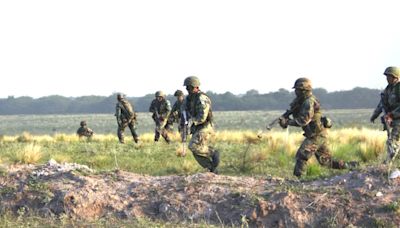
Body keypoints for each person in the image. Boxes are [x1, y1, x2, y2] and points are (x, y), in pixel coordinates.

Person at [279, 77, 358, 177]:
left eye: (298, 90)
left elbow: (303, 120)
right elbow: (297, 114)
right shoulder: (300, 101)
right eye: (296, 90)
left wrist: (287, 122)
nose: (296, 92)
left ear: (305, 90)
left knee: (302, 155)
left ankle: (298, 180)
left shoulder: (309, 102)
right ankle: (352, 166)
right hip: (318, 134)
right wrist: (286, 118)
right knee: (325, 161)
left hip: (316, 135)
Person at [181, 76, 219, 173]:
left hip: (205, 126)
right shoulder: (189, 99)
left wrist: (191, 122)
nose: (188, 90)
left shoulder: (202, 98)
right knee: (195, 151)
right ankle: (211, 168)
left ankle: (212, 152)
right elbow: (184, 110)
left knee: (193, 146)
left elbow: (202, 117)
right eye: (187, 88)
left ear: (196, 87)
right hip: (197, 127)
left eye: (189, 87)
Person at [370, 66, 400, 161]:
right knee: (391, 140)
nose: (387, 78)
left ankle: (389, 162)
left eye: (389, 76)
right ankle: (395, 161)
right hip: (393, 119)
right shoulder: (388, 89)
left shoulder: (398, 88)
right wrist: (374, 115)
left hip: (398, 119)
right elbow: (381, 104)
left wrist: (392, 114)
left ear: (395, 77)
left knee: (392, 141)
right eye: (387, 76)